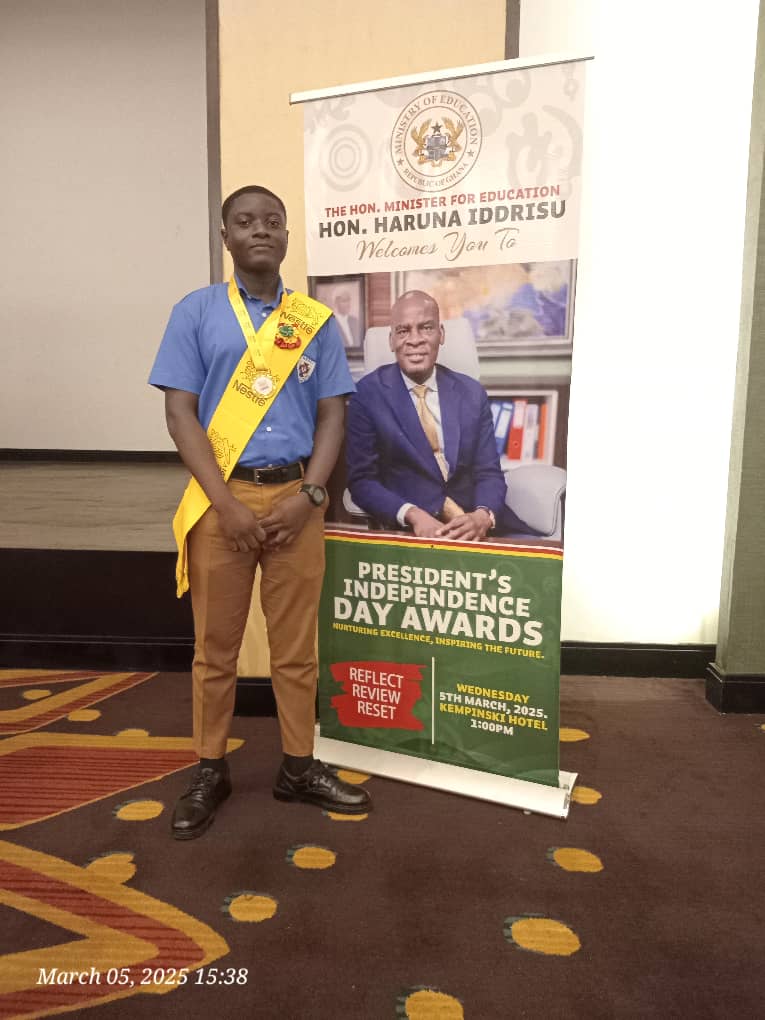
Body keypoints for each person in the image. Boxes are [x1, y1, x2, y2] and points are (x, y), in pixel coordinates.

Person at [149, 184, 370, 840]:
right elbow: (179, 414)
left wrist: (310, 496)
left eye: (272, 221)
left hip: (297, 502)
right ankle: (209, 769)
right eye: (245, 222)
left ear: (285, 235)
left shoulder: (313, 321)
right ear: (226, 237)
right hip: (222, 504)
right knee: (215, 651)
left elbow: (332, 416)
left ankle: (298, 766)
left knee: (296, 650)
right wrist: (226, 505)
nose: (261, 231)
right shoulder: (195, 313)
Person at [346, 290, 506, 541]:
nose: (415, 340)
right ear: (391, 340)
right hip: (412, 530)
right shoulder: (367, 395)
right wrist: (411, 515)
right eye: (403, 331)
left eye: (426, 328)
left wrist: (483, 516)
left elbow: (489, 472)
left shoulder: (472, 393)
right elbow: (362, 481)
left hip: (476, 525)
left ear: (441, 334)